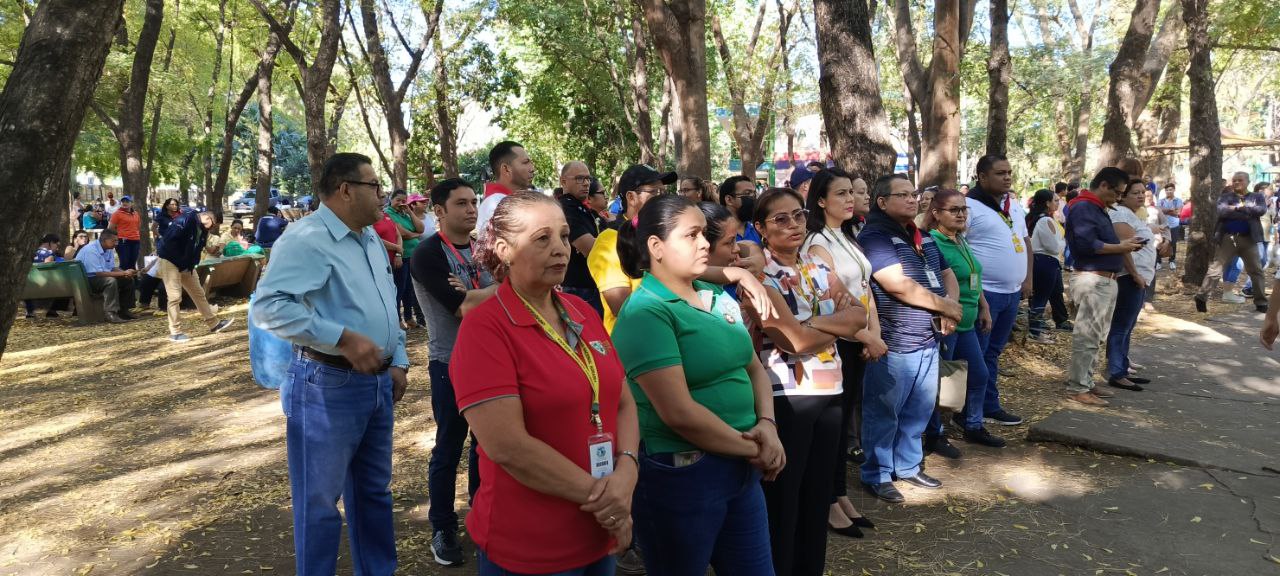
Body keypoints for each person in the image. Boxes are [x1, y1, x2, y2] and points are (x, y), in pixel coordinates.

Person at [450, 191, 638, 575]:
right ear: (504, 250)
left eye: (565, 236)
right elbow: (508, 447)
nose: (561, 249)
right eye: (542, 238)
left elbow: (622, 401)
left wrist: (627, 473)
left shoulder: (581, 311)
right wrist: (608, 500)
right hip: (531, 544)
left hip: (598, 532)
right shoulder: (485, 328)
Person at [252, 153, 410, 576]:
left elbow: (385, 304)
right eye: (374, 186)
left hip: (377, 382)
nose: (383, 194)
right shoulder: (306, 238)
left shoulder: (369, 237)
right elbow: (268, 307)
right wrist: (341, 337)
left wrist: (398, 358)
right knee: (319, 503)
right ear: (345, 190)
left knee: (374, 493)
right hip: (326, 383)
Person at [610, 194, 781, 576]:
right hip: (684, 472)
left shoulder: (714, 294)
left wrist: (768, 425)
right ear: (656, 247)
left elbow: (754, 369)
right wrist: (754, 447)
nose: (705, 243)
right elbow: (679, 413)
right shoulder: (646, 312)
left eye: (704, 234)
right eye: (692, 235)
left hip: (741, 463)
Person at [748, 188, 866, 575]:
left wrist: (810, 323)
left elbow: (859, 317)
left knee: (817, 496)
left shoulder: (815, 264)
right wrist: (827, 327)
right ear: (761, 228)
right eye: (780, 219)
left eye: (798, 215)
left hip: (831, 389)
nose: (794, 224)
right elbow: (791, 341)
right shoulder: (760, 276)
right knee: (784, 498)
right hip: (788, 395)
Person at [858, 174, 962, 504]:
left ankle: (907, 465)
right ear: (882, 202)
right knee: (884, 411)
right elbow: (897, 285)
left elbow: (946, 274)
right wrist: (945, 306)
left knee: (919, 409)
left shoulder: (921, 235)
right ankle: (877, 473)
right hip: (895, 341)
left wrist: (951, 307)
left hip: (928, 338)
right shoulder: (875, 236)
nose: (912, 199)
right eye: (901, 195)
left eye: (913, 193)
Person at [410, 178, 498, 566]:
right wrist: (498, 289)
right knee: (449, 447)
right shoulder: (428, 253)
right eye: (461, 203)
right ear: (439, 211)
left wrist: (475, 292)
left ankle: (482, 516)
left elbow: (487, 299)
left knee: (486, 446)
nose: (471, 209)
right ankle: (443, 527)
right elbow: (461, 308)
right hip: (449, 363)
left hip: (490, 361)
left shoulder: (483, 249)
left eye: (473, 202)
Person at [800, 168, 883, 537]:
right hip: (837, 343)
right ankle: (829, 501)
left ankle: (840, 494)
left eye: (852, 192)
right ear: (821, 200)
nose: (850, 199)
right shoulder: (817, 243)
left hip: (860, 339)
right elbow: (832, 301)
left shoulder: (847, 235)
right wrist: (866, 336)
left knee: (845, 418)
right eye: (841, 193)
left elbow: (865, 289)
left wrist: (874, 333)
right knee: (833, 427)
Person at [924, 190, 1007, 448]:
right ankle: (935, 434)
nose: (961, 214)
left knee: (979, 375)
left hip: (968, 322)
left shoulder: (960, 239)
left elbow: (974, 276)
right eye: (954, 210)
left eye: (963, 209)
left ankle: (973, 425)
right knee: (942, 382)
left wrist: (984, 306)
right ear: (936, 213)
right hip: (947, 325)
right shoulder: (933, 242)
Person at [1064, 167, 1144, 406]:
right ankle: (1078, 387)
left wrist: (1123, 245)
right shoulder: (1084, 207)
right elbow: (1088, 245)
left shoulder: (1097, 207)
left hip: (1105, 279)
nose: (1118, 198)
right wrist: (1122, 247)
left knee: (1097, 336)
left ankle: (1086, 381)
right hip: (1092, 279)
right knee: (1087, 336)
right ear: (1103, 186)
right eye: (1117, 193)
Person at [962, 155, 1028, 427]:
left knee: (993, 352)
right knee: (977, 355)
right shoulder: (968, 207)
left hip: (1012, 292)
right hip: (986, 293)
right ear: (982, 176)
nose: (1007, 177)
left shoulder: (1013, 205)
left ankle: (988, 405)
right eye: (1000, 173)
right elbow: (959, 248)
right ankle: (969, 412)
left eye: (1009, 172)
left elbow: (1024, 240)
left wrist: (1028, 279)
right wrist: (977, 297)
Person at [1105, 180, 1158, 392]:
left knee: (1128, 325)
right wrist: (1135, 274)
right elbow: (1124, 249)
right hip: (1129, 276)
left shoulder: (1135, 215)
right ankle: (1116, 372)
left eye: (1143, 192)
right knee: (1121, 325)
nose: (1141, 196)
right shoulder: (1120, 214)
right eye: (1135, 193)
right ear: (1123, 195)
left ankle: (1122, 366)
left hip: (1140, 276)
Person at [1195, 172, 1269, 313]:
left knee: (1256, 271)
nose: (1236, 182)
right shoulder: (1226, 197)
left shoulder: (1256, 197)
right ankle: (1201, 297)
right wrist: (1248, 211)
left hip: (1249, 240)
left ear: (1248, 181)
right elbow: (1222, 212)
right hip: (1228, 239)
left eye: (1240, 180)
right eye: (1234, 180)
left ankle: (1261, 303)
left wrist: (1236, 208)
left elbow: (1260, 210)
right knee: (1215, 269)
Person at [157, 209, 234, 342]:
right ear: (207, 218)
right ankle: (175, 332)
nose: (213, 228)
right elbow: (169, 241)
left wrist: (191, 263)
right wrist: (180, 260)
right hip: (170, 261)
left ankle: (214, 324)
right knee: (174, 297)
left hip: (187, 266)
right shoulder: (185, 220)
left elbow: (198, 247)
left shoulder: (202, 229)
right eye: (213, 224)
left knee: (199, 293)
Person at [559, 161, 605, 317]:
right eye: (579, 178)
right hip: (579, 288)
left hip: (589, 285)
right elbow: (590, 248)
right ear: (563, 181)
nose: (586, 183)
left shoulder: (579, 207)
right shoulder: (566, 208)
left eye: (588, 179)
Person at [1026, 189, 1067, 343]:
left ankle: (1036, 330)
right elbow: (1054, 247)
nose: (1058, 203)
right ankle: (1034, 333)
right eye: (1055, 200)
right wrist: (1063, 243)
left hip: (1045, 261)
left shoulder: (1044, 219)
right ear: (1047, 203)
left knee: (1040, 297)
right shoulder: (1045, 221)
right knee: (1040, 298)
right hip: (1046, 261)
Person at [75, 229, 138, 323]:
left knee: (128, 279)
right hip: (86, 280)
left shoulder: (109, 249)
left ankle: (124, 310)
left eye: (117, 241)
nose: (116, 243)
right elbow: (98, 273)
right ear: (104, 240)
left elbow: (111, 268)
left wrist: (126, 272)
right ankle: (110, 313)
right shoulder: (91, 250)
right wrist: (123, 273)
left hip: (98, 277)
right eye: (114, 241)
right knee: (110, 281)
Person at [385, 190, 426, 328]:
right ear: (391, 200)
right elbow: (403, 234)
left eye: (404, 200)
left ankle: (409, 318)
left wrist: (410, 212)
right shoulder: (388, 214)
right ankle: (398, 319)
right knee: (400, 288)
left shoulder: (405, 213)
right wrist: (416, 234)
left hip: (413, 256)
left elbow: (421, 228)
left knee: (410, 288)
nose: (401, 203)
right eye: (398, 200)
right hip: (401, 256)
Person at [477, 140, 536, 234]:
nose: (532, 169)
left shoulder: (508, 201)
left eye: (531, 163)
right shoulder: (498, 204)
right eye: (525, 162)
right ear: (506, 169)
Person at [25, 234, 69, 319]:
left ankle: (30, 311)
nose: (57, 248)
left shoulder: (30, 252)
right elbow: (48, 269)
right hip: (46, 285)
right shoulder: (49, 254)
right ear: (51, 243)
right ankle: (52, 310)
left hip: (28, 285)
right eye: (57, 245)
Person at [719, 176, 762, 244]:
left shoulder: (756, 229)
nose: (753, 197)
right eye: (747, 193)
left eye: (754, 194)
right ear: (729, 200)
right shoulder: (717, 232)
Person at [107, 195, 142, 271]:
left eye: (127, 201)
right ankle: (122, 278)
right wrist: (119, 235)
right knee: (124, 264)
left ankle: (133, 278)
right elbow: (110, 228)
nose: (124, 203)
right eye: (123, 201)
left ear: (131, 203)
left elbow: (138, 226)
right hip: (123, 241)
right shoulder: (117, 214)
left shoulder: (136, 213)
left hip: (135, 241)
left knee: (132, 264)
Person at [1157, 183, 1183, 270]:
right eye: (1167, 190)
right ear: (1165, 191)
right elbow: (1159, 211)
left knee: (1173, 243)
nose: (1169, 191)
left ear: (1174, 190)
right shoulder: (1161, 201)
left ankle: (1172, 260)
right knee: (1159, 242)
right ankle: (1158, 261)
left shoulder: (1178, 200)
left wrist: (1165, 211)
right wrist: (1170, 210)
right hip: (1162, 225)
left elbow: (1178, 213)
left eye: (1170, 189)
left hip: (1174, 224)